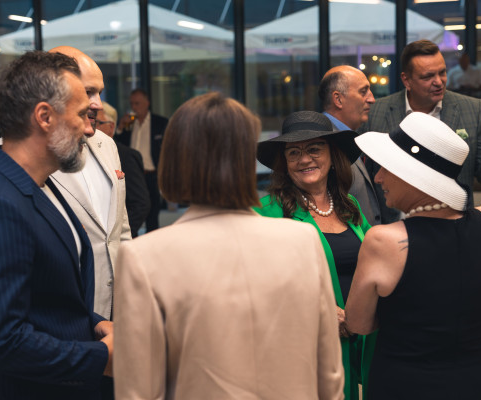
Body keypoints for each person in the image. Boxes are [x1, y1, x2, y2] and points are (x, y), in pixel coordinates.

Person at [113, 93, 344, 399]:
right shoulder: (303, 241)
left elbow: (139, 391)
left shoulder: (143, 258)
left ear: (173, 160)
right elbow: (330, 376)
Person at [344, 111, 481, 400]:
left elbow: (359, 324)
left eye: (386, 168)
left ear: (412, 175)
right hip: (474, 382)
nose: (378, 178)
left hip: (404, 385)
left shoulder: (383, 241)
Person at [0, 51, 113, 399]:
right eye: (81, 114)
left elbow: (46, 297)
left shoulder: (36, 184)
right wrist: (102, 357)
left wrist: (95, 323)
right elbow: (2, 341)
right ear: (44, 117)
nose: (88, 127)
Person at [0, 46, 131, 321]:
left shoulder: (107, 145)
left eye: (99, 92)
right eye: (88, 92)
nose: (97, 103)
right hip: (56, 323)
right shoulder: (7, 160)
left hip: (114, 315)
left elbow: (120, 231)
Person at [254, 111, 370, 400]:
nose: (304, 159)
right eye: (294, 152)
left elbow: (373, 262)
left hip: (356, 344)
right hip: (301, 348)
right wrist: (319, 309)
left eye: (314, 149)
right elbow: (255, 286)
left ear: (332, 156)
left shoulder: (349, 205)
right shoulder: (265, 212)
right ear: (284, 163)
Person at [360, 39, 481, 223]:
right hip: (392, 224)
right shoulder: (377, 112)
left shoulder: (471, 109)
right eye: (427, 76)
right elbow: (364, 177)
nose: (438, 82)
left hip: (454, 227)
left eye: (442, 72)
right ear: (406, 80)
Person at [319, 65, 382, 225]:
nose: (372, 99)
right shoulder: (322, 142)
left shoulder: (348, 137)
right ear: (338, 99)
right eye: (363, 92)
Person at [116, 89, 168, 232]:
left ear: (147, 103)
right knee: (132, 213)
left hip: (151, 174)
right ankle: (131, 240)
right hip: (131, 175)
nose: (134, 107)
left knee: (152, 215)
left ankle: (152, 243)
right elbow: (118, 146)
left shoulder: (160, 123)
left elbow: (167, 149)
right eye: (132, 103)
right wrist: (120, 128)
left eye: (137, 103)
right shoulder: (128, 123)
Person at [97, 102, 150, 238]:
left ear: (111, 127)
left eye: (96, 123)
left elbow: (140, 204)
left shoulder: (126, 156)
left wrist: (118, 236)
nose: (91, 128)